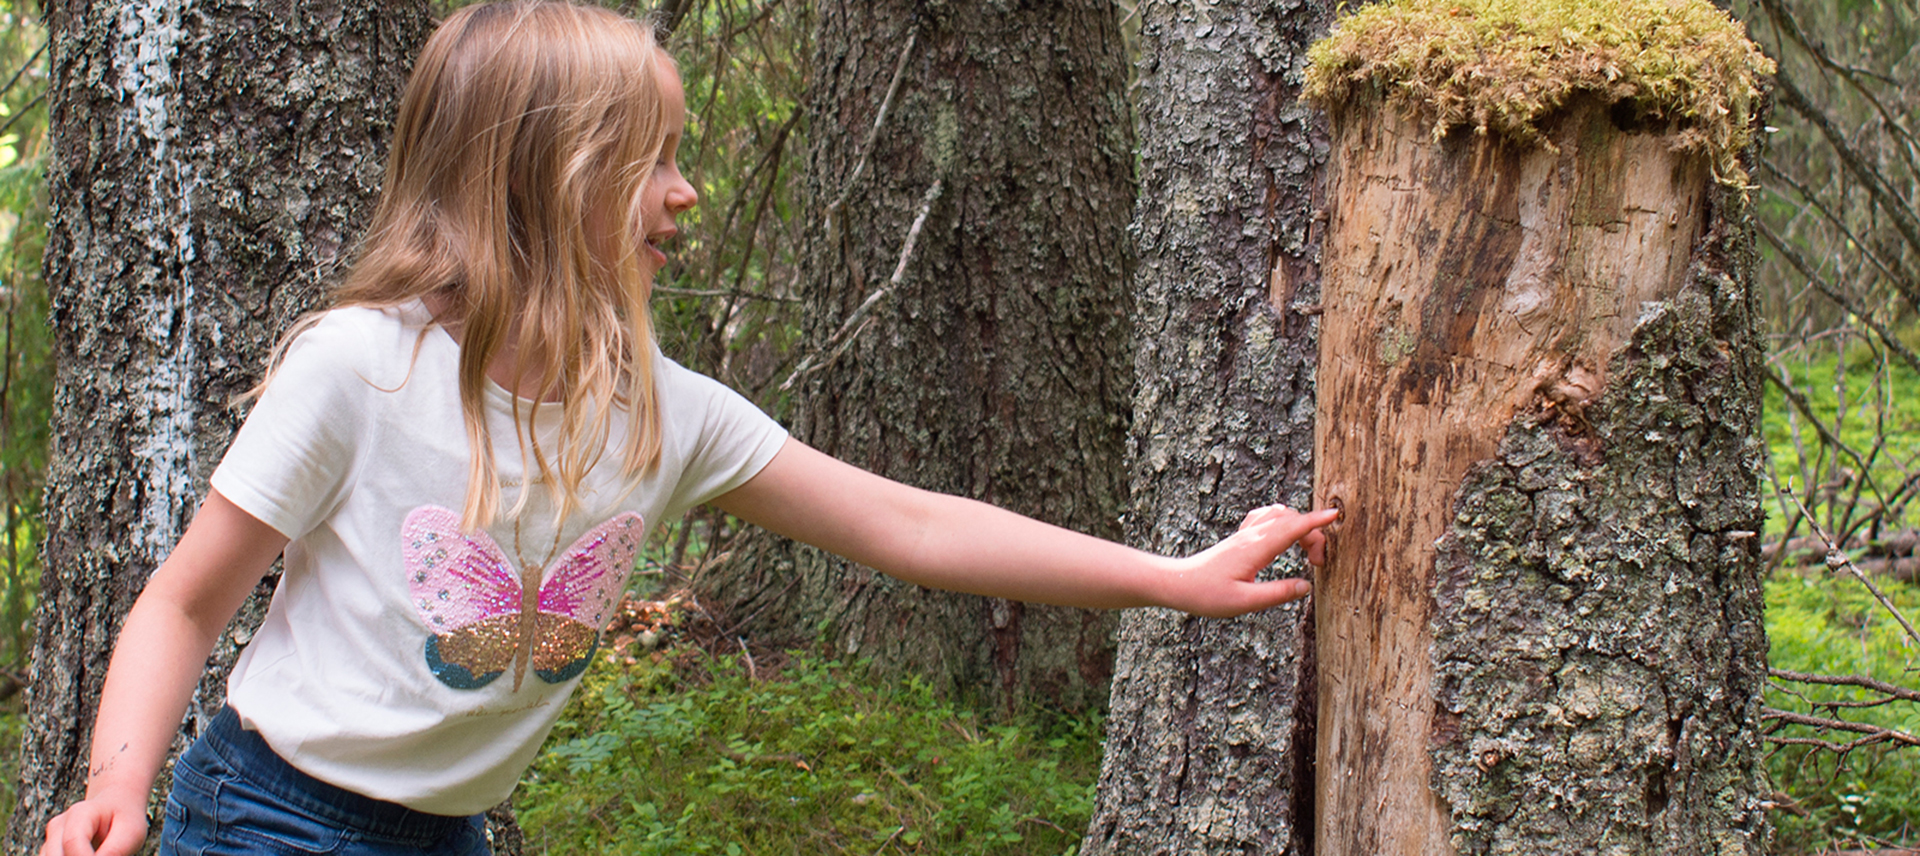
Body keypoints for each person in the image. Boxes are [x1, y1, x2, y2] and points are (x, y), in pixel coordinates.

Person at [41, 3, 1338, 854]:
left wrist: (1171, 579)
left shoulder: (663, 417)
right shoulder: (360, 373)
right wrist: (114, 786)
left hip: (451, 833)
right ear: (548, 175)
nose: (687, 190)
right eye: (653, 157)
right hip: (273, 812)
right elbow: (186, 605)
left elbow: (912, 524)